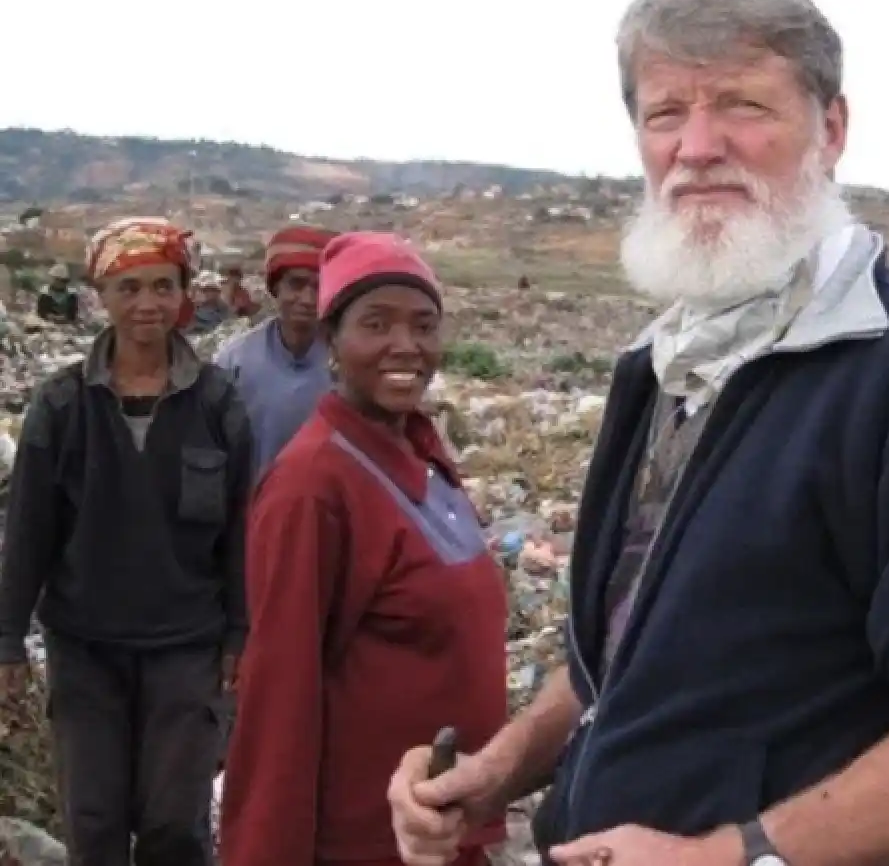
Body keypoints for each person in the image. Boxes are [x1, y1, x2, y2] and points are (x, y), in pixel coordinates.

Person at [387, 0, 889, 866]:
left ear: (830, 130)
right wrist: (497, 769)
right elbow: (624, 645)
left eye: (742, 105)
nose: (697, 147)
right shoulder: (666, 363)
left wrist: (731, 855)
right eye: (665, 113)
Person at [219, 232, 508, 866]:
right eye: (376, 324)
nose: (406, 346)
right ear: (332, 340)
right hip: (369, 838)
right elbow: (280, 692)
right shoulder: (312, 486)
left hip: (444, 828)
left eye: (424, 325)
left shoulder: (422, 451)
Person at [0, 216, 254, 866]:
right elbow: (28, 531)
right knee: (94, 821)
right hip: (85, 647)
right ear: (102, 296)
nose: (147, 304)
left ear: (182, 293)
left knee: (176, 821)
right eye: (130, 287)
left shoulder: (217, 403)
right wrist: (7, 643)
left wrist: (238, 635)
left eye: (163, 286)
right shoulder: (62, 407)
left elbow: (240, 530)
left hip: (186, 647)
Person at [215, 225, 337, 476]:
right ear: (276, 288)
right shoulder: (235, 360)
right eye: (296, 285)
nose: (307, 298)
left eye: (318, 287)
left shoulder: (349, 364)